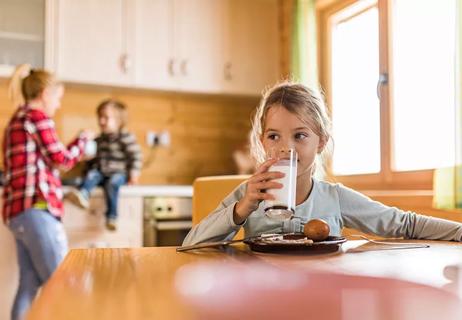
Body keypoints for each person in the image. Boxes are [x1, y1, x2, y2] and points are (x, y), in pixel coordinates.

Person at [183, 82, 462, 245]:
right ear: (262, 141)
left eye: (300, 135)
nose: (285, 148)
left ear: (321, 142)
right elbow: (190, 245)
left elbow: (405, 224)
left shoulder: (334, 198)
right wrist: (242, 209)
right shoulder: (248, 196)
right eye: (274, 136)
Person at [3, 64, 94, 320]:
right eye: (58, 98)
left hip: (18, 213)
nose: (58, 105)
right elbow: (62, 159)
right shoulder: (37, 118)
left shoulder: (16, 121)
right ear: (45, 93)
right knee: (62, 284)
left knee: (28, 286)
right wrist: (83, 140)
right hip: (37, 209)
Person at [65, 99, 142, 231]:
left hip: (118, 173)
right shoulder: (98, 140)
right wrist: (86, 161)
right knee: (92, 174)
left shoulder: (125, 137)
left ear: (119, 121)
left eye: (106, 117)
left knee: (112, 183)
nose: (101, 121)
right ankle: (83, 194)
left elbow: (135, 156)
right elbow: (93, 160)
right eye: (100, 117)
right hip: (101, 173)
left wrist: (133, 175)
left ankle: (112, 216)